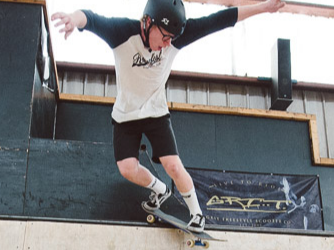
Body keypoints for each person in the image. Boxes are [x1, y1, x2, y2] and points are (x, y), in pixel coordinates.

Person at [51, 0, 285, 233]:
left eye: (171, 39)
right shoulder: (121, 32)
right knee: (127, 169)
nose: (167, 44)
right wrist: (73, 18)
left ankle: (197, 214)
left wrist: (264, 7)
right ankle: (160, 190)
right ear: (148, 23)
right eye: (164, 38)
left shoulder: (174, 37)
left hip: (155, 112)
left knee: (172, 164)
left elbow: (220, 20)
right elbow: (90, 18)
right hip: (125, 114)